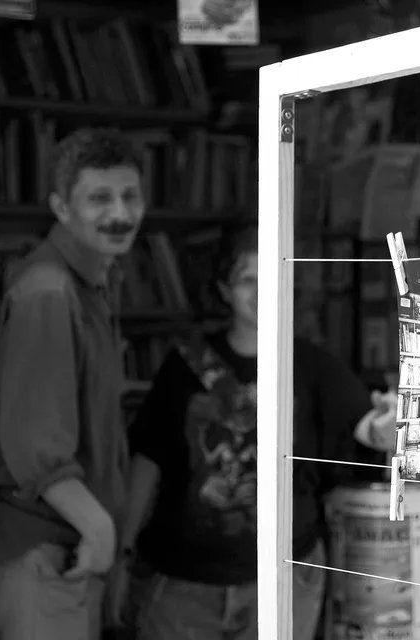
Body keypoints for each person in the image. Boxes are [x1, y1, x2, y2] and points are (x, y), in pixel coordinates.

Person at [109, 225, 397, 640]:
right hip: (185, 585)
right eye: (247, 279)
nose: (260, 290)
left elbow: (368, 428)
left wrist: (393, 425)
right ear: (225, 289)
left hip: (284, 579)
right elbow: (146, 463)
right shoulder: (183, 367)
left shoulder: (311, 365)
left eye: (271, 275)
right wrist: (122, 551)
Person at [0, 128, 145, 640]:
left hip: (63, 546)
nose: (120, 213)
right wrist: (100, 527)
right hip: (42, 550)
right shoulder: (49, 290)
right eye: (99, 198)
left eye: (130, 195)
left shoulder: (88, 285)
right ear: (60, 207)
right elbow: (34, 444)